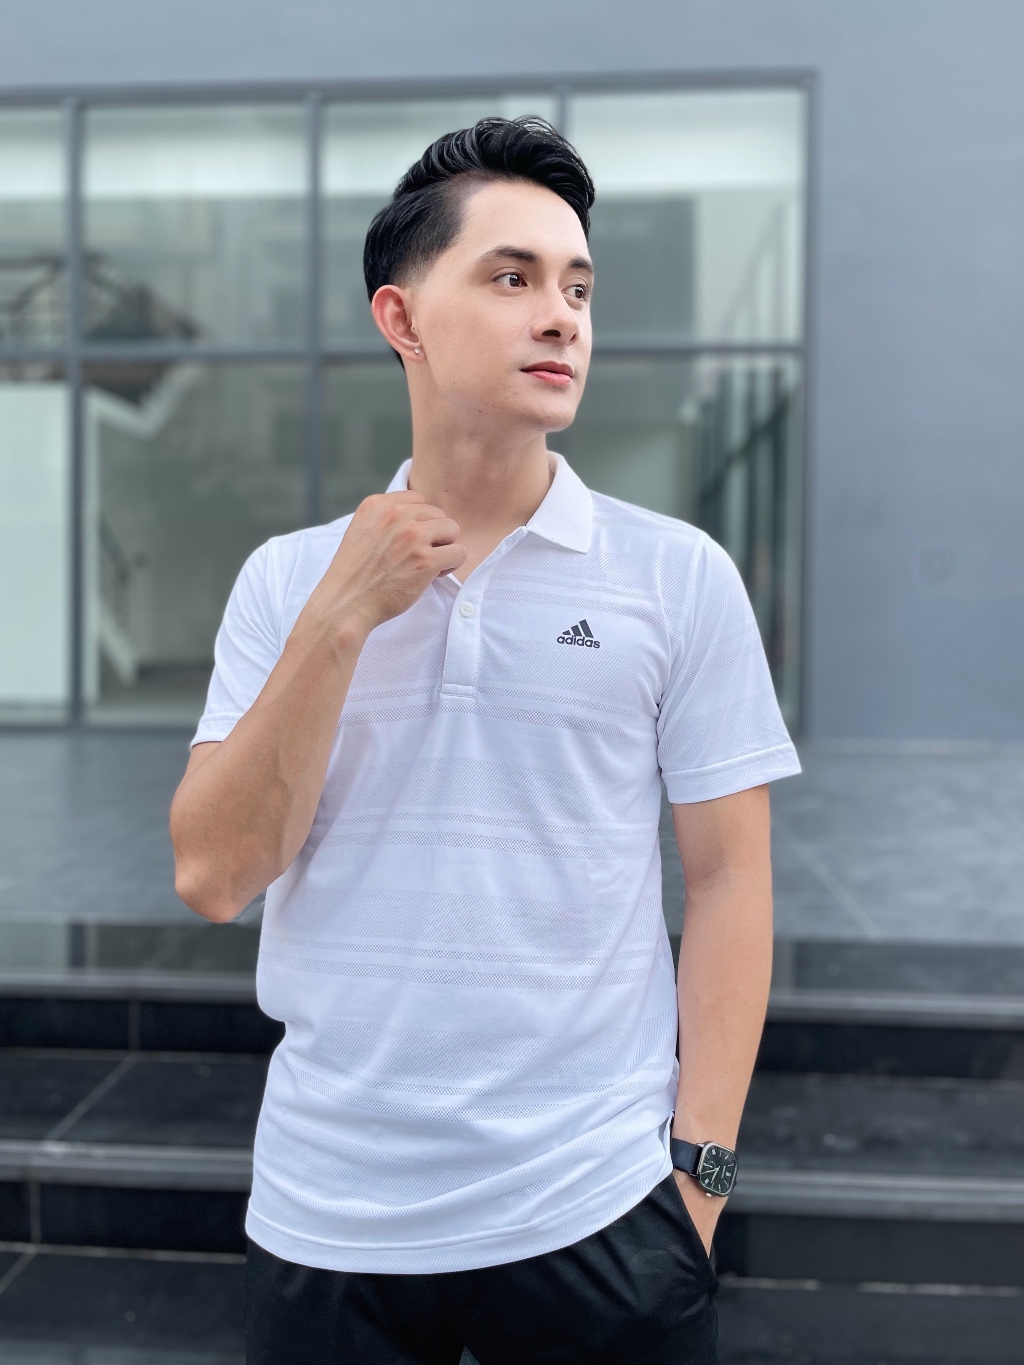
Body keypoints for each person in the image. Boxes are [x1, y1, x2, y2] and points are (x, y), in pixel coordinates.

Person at [170, 116, 801, 1365]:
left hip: (601, 1210)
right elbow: (214, 874)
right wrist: (343, 616)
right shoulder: (288, 580)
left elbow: (731, 880)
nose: (560, 317)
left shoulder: (676, 575)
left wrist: (701, 1178)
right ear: (400, 319)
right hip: (332, 1212)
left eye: (576, 287)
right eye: (511, 278)